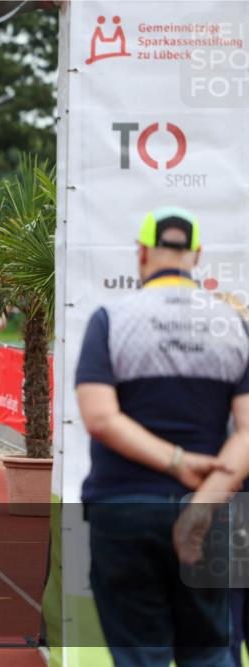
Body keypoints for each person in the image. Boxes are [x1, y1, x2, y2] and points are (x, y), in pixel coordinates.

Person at [76, 207, 249, 667]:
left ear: (143, 253)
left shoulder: (110, 319)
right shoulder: (234, 325)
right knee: (210, 654)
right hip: (209, 517)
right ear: (195, 255)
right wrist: (203, 501)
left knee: (140, 657)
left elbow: (101, 418)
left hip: (124, 509)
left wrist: (175, 461)